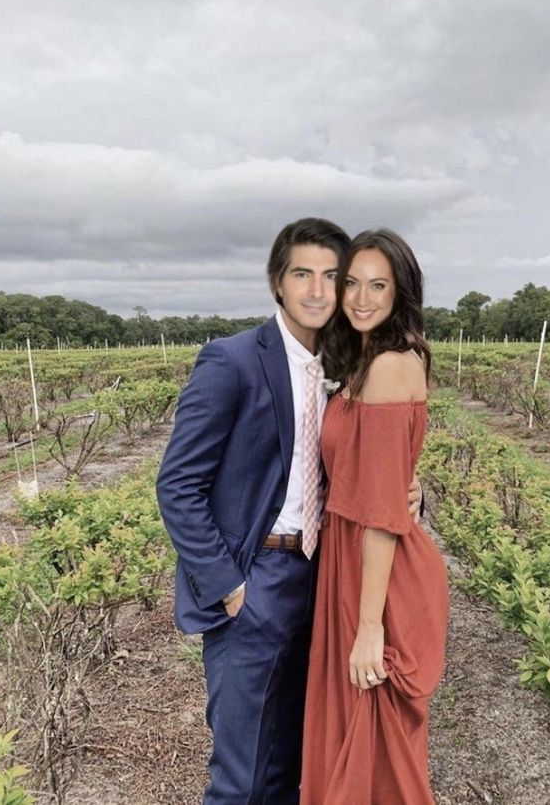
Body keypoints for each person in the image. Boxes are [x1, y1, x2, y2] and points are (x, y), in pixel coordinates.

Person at [156, 218, 421, 805]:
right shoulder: (231, 361)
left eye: (335, 277)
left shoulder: (341, 363)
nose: (320, 291)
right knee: (242, 774)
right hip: (258, 580)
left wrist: (410, 489)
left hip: (326, 580)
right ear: (277, 282)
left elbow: (353, 462)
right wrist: (228, 585)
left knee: (297, 761)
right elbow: (177, 485)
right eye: (304, 274)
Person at [300, 229, 450, 805]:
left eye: (378, 285)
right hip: (351, 558)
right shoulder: (365, 360)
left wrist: (369, 629)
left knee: (375, 748)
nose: (361, 298)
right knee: (356, 737)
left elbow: (384, 513)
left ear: (400, 292)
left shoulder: (390, 366)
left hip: (373, 574)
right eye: (351, 283)